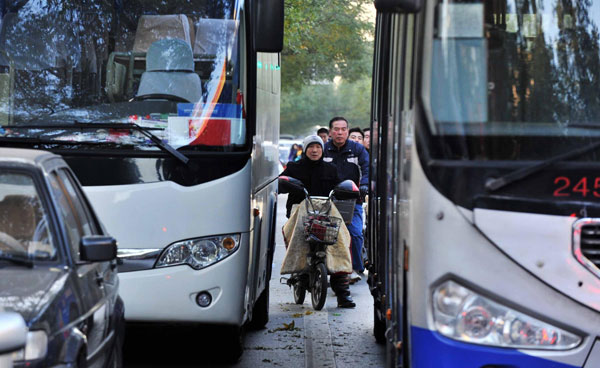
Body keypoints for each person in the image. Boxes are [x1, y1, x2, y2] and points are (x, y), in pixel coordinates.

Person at [280, 134, 356, 308]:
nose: (315, 150)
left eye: (318, 147)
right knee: (298, 236)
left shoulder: (331, 168)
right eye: (311, 147)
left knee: (341, 241)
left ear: (322, 149)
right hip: (300, 212)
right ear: (305, 149)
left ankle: (343, 293)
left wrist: (346, 190)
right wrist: (287, 184)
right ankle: (300, 272)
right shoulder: (294, 167)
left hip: (325, 212)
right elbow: (281, 183)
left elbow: (340, 187)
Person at [324, 117, 369, 283]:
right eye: (336, 129)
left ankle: (355, 268)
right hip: (327, 201)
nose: (340, 132)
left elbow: (366, 169)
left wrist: (363, 186)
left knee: (356, 234)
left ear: (348, 131)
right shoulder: (323, 149)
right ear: (330, 132)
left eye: (343, 129)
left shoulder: (357, 150)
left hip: (352, 202)